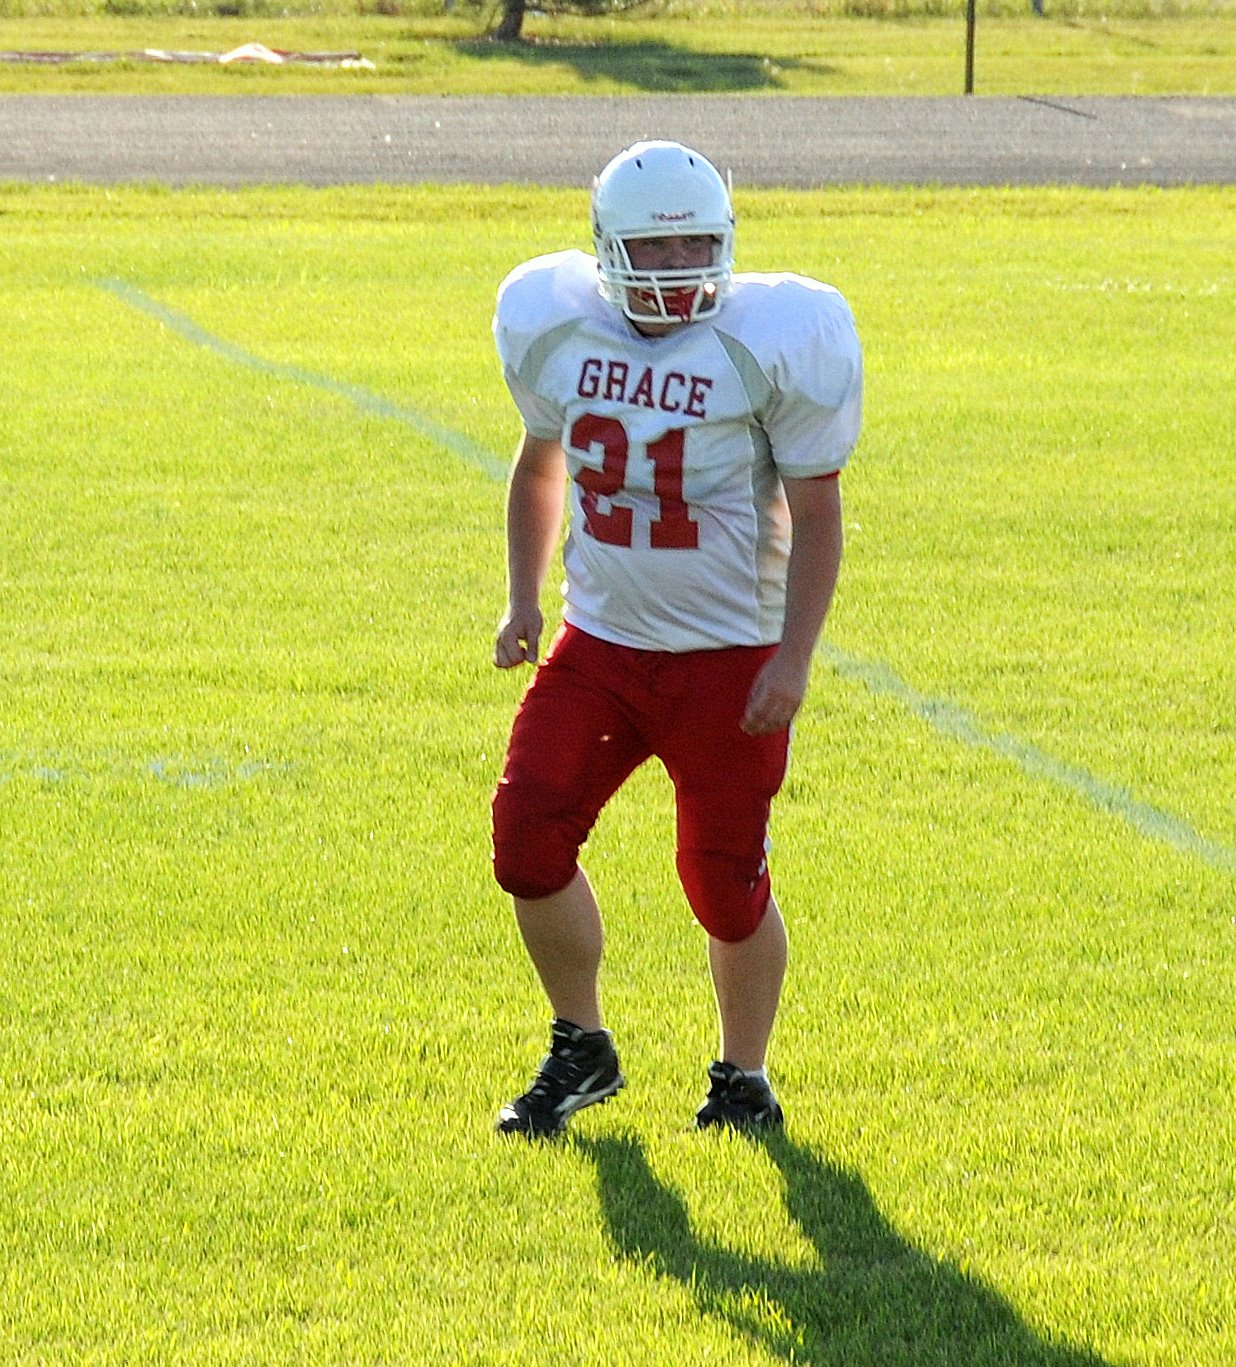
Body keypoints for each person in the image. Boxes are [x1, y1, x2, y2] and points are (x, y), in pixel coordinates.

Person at [489, 140, 862, 1138]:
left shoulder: (769, 337)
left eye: (696, 243)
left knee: (723, 881)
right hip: (601, 644)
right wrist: (524, 598)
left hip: (729, 656)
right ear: (608, 250)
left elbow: (820, 514)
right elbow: (538, 467)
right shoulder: (557, 326)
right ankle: (582, 1044)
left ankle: (744, 1074)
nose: (678, 269)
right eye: (653, 251)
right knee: (526, 837)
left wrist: (792, 656)